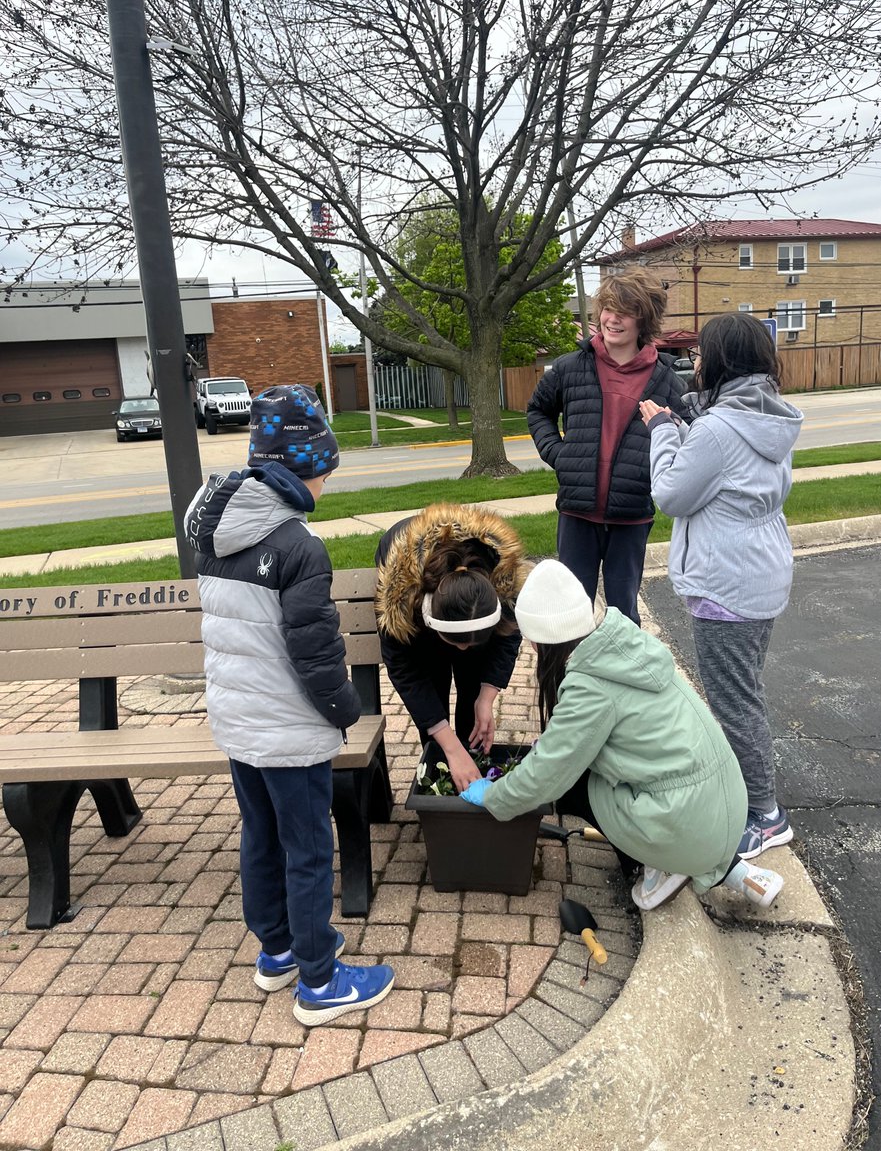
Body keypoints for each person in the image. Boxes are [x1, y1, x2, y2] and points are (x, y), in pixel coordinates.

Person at [185, 383, 394, 1026]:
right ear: (304, 468)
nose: (329, 482)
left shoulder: (214, 530)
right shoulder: (298, 547)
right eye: (327, 469)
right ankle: (320, 981)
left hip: (240, 723)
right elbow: (315, 652)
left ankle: (276, 951)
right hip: (288, 731)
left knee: (261, 836)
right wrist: (342, 712)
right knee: (306, 846)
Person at [460, 559, 785, 911]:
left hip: (682, 823)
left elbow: (547, 776)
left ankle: (658, 866)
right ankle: (729, 869)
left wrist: (495, 797)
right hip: (723, 811)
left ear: (543, 639)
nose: (533, 649)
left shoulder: (590, 686)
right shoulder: (622, 646)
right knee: (582, 765)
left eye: (532, 641)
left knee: (576, 785)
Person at [638, 312, 803, 860]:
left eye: (703, 353)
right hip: (760, 573)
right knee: (744, 691)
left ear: (723, 360)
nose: (696, 362)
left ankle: (764, 815)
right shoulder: (768, 415)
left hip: (726, 584)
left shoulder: (717, 427)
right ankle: (751, 798)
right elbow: (724, 469)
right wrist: (686, 432)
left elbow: (672, 494)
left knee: (736, 702)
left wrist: (662, 431)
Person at [526, 266, 685, 623]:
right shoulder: (570, 368)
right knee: (570, 615)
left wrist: (653, 471)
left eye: (626, 312)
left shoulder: (668, 381)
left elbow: (685, 440)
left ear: (644, 320)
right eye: (608, 309)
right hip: (576, 515)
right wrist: (560, 455)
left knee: (623, 615)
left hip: (631, 517)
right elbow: (538, 410)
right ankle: (569, 678)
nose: (613, 319)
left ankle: (621, 678)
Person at [375, 503, 530, 793]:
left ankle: (473, 771)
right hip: (421, 624)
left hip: (463, 612)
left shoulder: (504, 577)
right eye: (457, 642)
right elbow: (404, 668)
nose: (462, 650)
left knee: (472, 695)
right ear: (430, 618)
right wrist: (448, 744)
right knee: (434, 702)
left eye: (472, 642)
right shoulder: (400, 593)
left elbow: (508, 636)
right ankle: (443, 769)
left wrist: (486, 697)